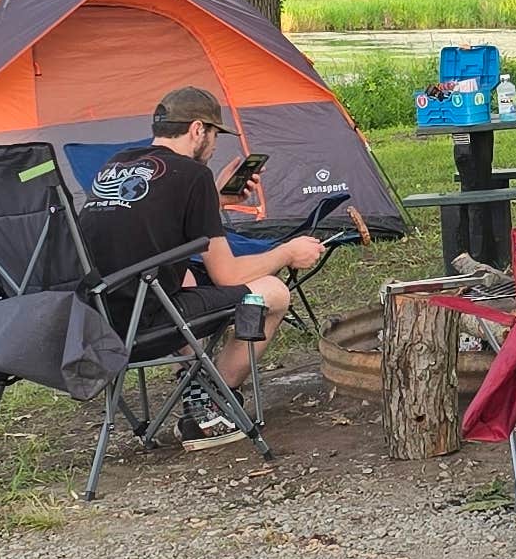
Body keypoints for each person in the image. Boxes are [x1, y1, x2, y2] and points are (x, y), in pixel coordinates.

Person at [82, 85, 330, 438]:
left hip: (97, 320)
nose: (214, 146)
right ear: (198, 130)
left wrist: (215, 200)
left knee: (186, 277)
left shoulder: (118, 164)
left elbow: (158, 220)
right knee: (273, 293)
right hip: (145, 326)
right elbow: (227, 275)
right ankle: (213, 396)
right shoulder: (193, 176)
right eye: (214, 135)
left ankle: (194, 376)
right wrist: (287, 252)